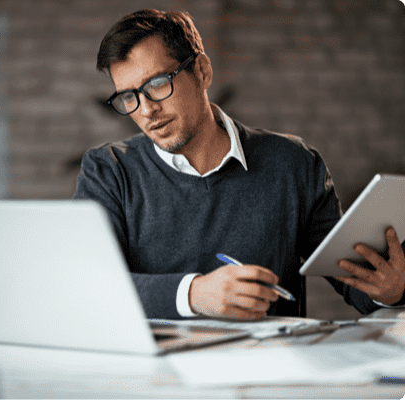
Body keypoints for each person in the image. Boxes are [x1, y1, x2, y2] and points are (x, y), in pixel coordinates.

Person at [73, 9, 405, 320]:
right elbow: (87, 285)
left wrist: (390, 290)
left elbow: (355, 280)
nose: (145, 111)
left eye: (157, 84)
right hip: (161, 376)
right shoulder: (108, 170)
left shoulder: (293, 164)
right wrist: (193, 294)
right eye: (128, 97)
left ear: (202, 71)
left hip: (270, 370)